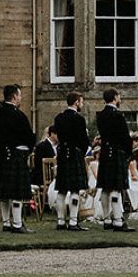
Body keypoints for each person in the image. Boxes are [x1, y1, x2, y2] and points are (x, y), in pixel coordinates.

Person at [0, 86, 35, 233]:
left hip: (3, 154)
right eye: (20, 96)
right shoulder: (19, 115)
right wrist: (29, 147)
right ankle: (17, 224)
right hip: (16, 155)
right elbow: (28, 136)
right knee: (16, 192)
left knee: (4, 193)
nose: (21, 99)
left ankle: (6, 223)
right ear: (14, 97)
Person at [51, 92, 91, 230]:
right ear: (76, 102)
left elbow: (58, 136)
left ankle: (61, 221)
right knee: (74, 190)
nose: (82, 104)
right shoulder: (79, 119)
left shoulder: (59, 118)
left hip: (62, 154)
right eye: (81, 101)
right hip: (74, 154)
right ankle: (73, 221)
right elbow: (84, 141)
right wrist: (81, 151)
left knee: (61, 190)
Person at [96, 88, 134, 231]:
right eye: (119, 96)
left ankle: (107, 220)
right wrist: (128, 152)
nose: (120, 99)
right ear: (115, 98)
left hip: (105, 152)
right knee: (116, 188)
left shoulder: (101, 115)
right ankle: (118, 220)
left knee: (105, 188)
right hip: (117, 152)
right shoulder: (118, 116)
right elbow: (125, 137)